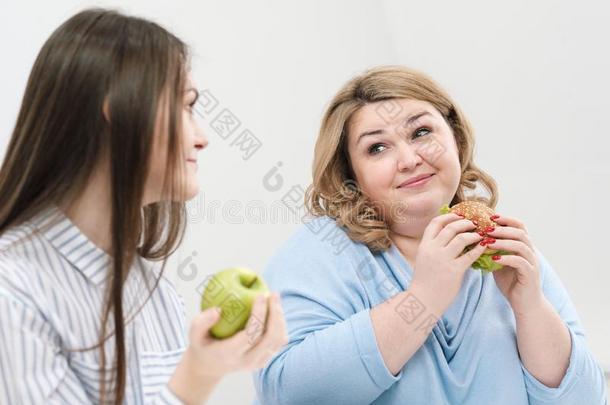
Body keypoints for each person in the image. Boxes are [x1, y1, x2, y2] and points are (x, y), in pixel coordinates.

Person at [252, 65, 607, 404]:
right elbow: (287, 393)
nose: (409, 159)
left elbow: (586, 399)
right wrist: (424, 297)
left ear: (454, 138)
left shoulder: (504, 249)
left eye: (421, 132)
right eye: (377, 148)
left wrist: (530, 307)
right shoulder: (319, 254)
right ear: (352, 176)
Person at [0, 8, 288, 405]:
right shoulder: (11, 289)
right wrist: (196, 377)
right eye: (186, 106)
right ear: (117, 109)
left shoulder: (153, 290)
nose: (202, 138)